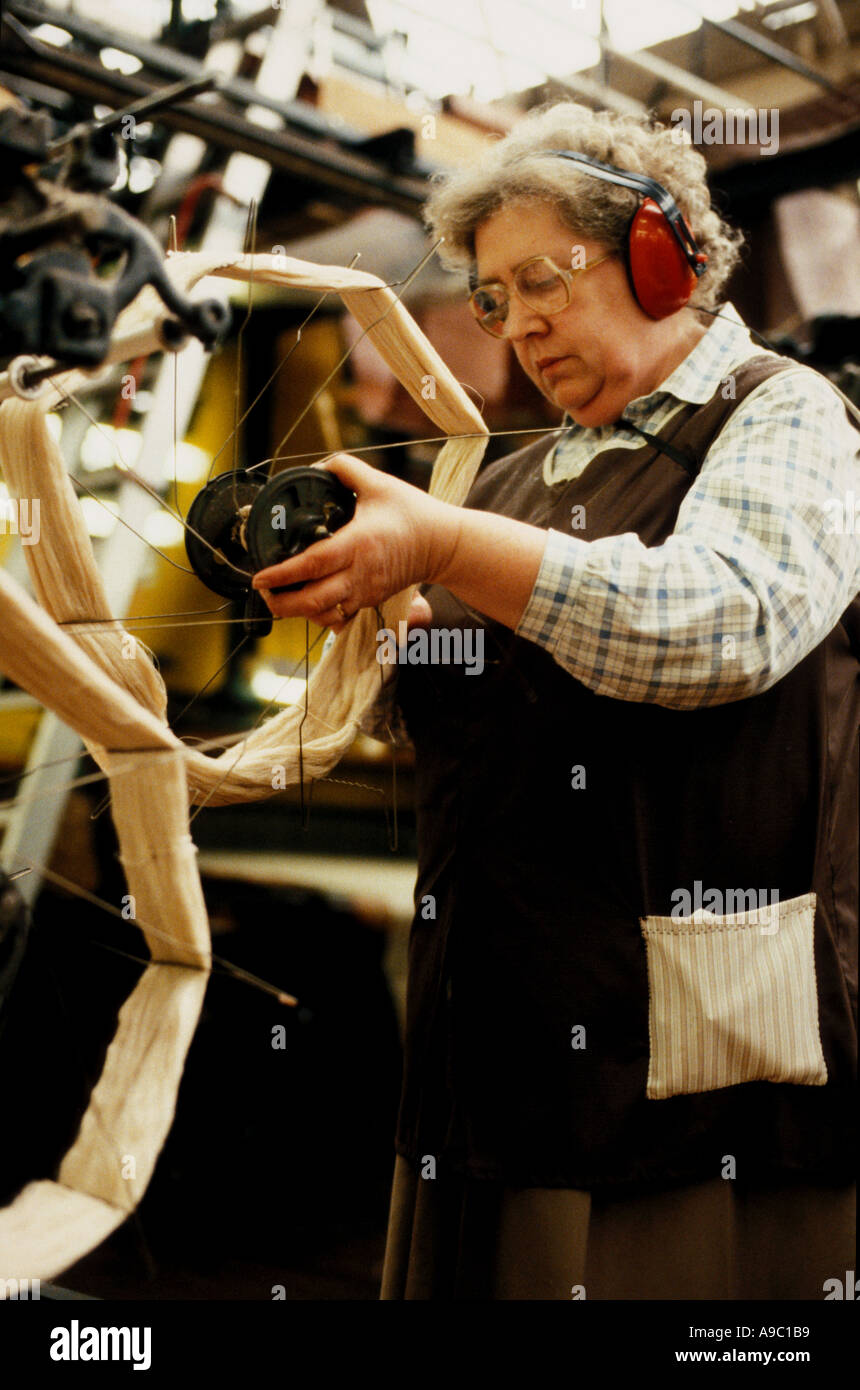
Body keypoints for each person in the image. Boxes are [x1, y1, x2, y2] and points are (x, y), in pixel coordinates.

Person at [252, 103, 859, 1300]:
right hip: (495, 1032)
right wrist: (390, 642)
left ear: (659, 253)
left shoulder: (783, 414)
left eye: (544, 280)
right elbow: (471, 719)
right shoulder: (516, 475)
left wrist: (443, 542)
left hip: (684, 1050)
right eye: (492, 298)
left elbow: (716, 625)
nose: (516, 324)